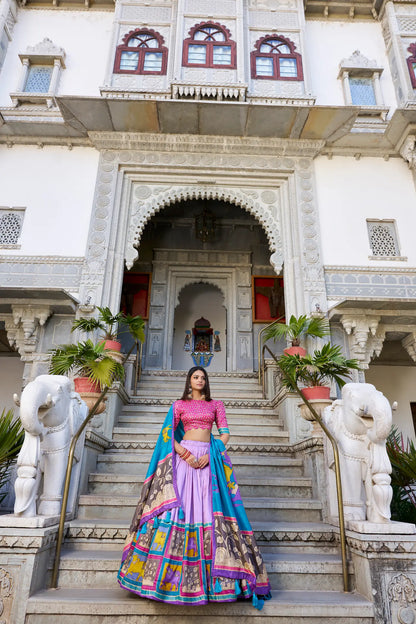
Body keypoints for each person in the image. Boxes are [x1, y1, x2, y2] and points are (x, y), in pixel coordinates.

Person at [117, 366, 271, 608]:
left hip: (209, 460)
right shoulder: (178, 405)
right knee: (183, 510)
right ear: (189, 381)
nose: (199, 380)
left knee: (209, 510)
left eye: (202, 377)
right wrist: (184, 453)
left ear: (206, 381)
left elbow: (225, 433)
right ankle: (163, 581)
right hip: (185, 460)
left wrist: (213, 453)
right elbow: (168, 434)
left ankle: (216, 583)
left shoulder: (215, 405)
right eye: (195, 377)